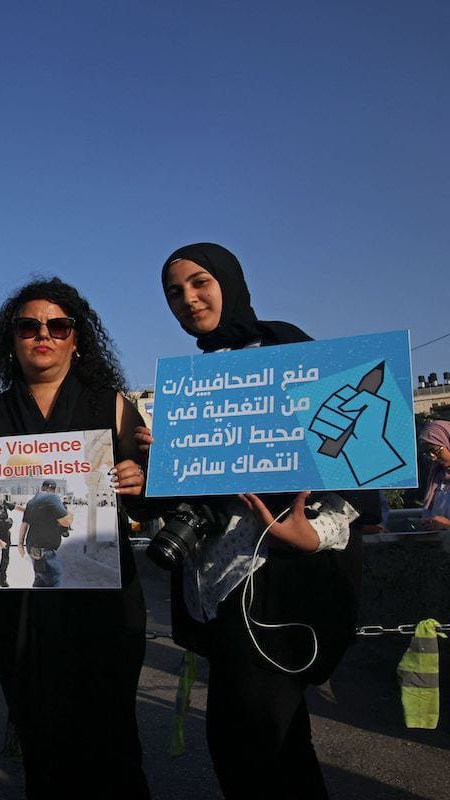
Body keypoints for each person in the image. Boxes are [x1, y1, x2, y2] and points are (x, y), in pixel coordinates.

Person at [151, 243, 379, 799]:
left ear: (229, 282)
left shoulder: (288, 350)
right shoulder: (197, 381)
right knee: (271, 751)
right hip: (216, 592)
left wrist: (313, 533)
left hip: (274, 589)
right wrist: (165, 457)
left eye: (200, 282)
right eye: (174, 292)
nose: (188, 299)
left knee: (255, 750)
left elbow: (355, 462)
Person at [0, 277, 151, 798]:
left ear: (76, 339)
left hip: (102, 604)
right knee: (40, 741)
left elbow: (150, 501)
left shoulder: (112, 406)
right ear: (11, 340)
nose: (42, 335)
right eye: (28, 326)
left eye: (57, 326)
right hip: (17, 610)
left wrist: (140, 480)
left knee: (112, 743)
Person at [17, 479, 74, 587]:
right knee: (55, 579)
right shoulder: (52, 497)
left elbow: (24, 524)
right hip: (44, 550)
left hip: (32, 548)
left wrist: (20, 544)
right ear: (52, 489)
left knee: (40, 580)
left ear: (42, 487)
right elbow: (66, 522)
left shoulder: (31, 502)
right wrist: (71, 515)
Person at [418, 420, 450, 530]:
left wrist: (447, 525)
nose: (433, 457)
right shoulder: (438, 477)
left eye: (436, 451)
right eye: (428, 453)